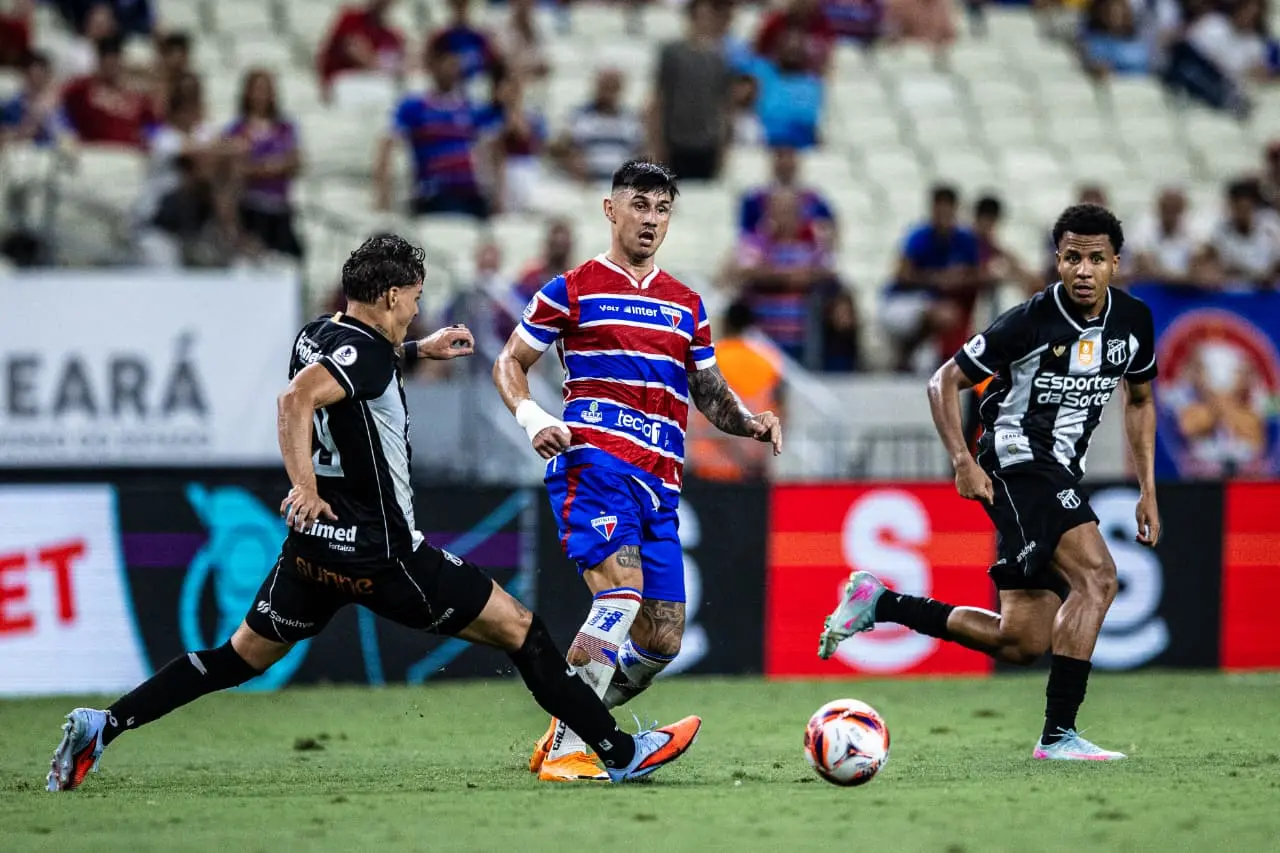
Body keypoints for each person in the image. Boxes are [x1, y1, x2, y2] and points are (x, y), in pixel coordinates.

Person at [47, 234, 702, 793]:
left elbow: (349, 368)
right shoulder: (360, 356)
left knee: (234, 657)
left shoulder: (318, 336)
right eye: (415, 299)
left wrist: (421, 349)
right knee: (525, 633)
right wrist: (302, 483)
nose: (418, 307)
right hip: (387, 558)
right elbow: (295, 402)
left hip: (311, 556)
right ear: (391, 296)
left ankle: (103, 725)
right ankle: (616, 751)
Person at [818, 204, 1160, 761]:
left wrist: (1147, 488)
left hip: (1059, 470)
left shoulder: (1134, 321)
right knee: (1099, 578)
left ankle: (880, 603)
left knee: (1021, 639)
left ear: (1115, 264)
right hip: (1017, 460)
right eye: (1072, 257)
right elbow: (943, 381)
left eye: (1096, 259)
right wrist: (962, 460)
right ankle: (1058, 736)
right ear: (1057, 260)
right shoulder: (1029, 320)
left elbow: (1141, 400)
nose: (1083, 270)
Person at [492, 161, 782, 781]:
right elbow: (509, 364)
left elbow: (708, 393)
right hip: (595, 461)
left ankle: (569, 728)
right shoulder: (572, 288)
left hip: (662, 481)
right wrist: (531, 417)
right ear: (611, 209)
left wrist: (750, 421)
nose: (651, 219)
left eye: (663, 209)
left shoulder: (687, 305)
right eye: (641, 205)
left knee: (662, 639)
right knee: (619, 595)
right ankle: (580, 749)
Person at [881, 184, 983, 373]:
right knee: (943, 314)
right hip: (903, 301)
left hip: (937, 304)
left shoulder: (963, 239)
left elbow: (976, 271)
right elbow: (901, 274)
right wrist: (937, 279)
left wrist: (960, 278)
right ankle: (907, 354)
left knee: (949, 315)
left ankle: (912, 357)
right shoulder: (919, 236)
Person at [225, 69, 304, 259]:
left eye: (266, 89)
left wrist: (258, 167)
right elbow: (236, 168)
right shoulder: (237, 128)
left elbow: (295, 162)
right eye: (258, 89)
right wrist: (272, 167)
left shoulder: (285, 127)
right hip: (251, 206)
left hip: (279, 207)